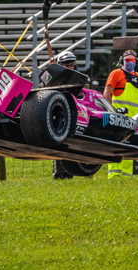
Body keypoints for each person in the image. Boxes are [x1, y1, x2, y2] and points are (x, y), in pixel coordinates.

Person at [103, 50, 138, 178]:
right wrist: (111, 111)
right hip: (119, 118)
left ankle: (127, 176)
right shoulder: (116, 73)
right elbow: (107, 93)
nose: (129, 63)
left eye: (132, 60)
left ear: (136, 61)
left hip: (135, 119)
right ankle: (114, 175)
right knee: (116, 145)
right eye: (127, 60)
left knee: (131, 146)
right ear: (122, 61)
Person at [52, 51, 78, 180]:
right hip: (57, 114)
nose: (70, 68)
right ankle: (59, 174)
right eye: (66, 65)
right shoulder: (53, 77)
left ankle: (70, 173)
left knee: (70, 143)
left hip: (71, 113)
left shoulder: (77, 78)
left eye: (71, 65)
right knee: (59, 143)